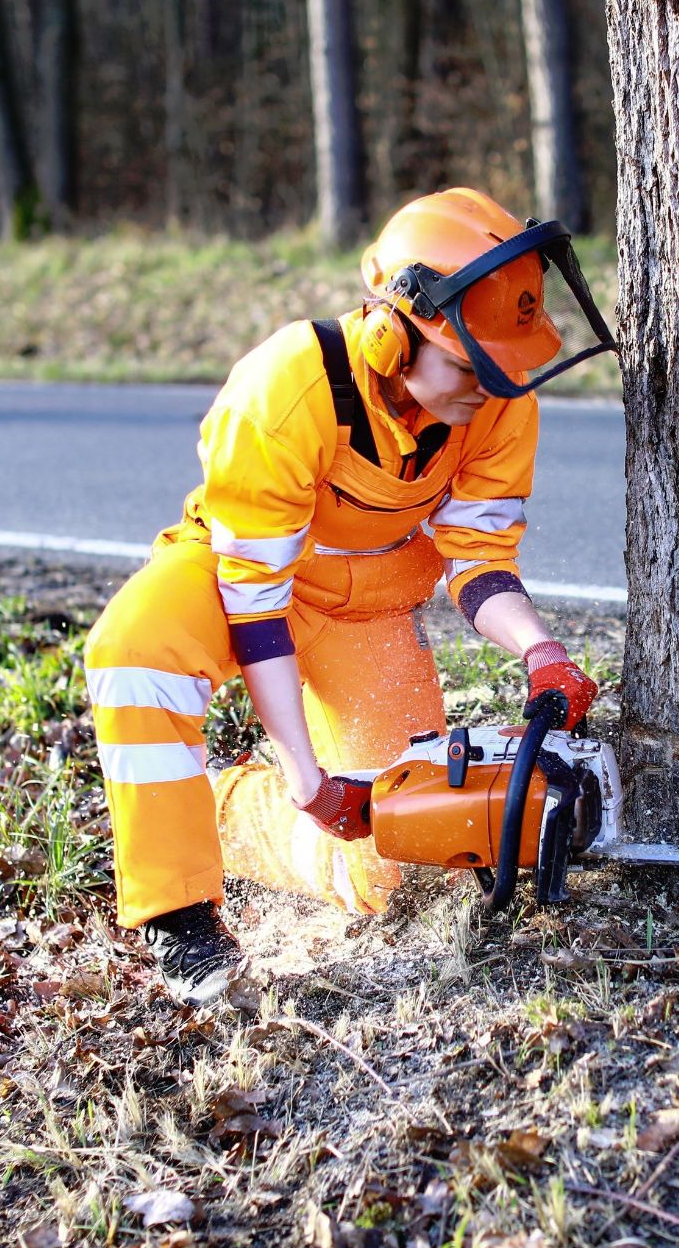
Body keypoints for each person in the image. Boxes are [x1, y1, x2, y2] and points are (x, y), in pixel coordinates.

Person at [82, 187, 618, 1002]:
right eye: (468, 367)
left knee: (394, 850)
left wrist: (541, 651)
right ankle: (178, 911)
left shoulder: (498, 400)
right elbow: (256, 604)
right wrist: (307, 774)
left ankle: (225, 814)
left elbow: (479, 561)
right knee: (135, 650)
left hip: (365, 606)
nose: (489, 388)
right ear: (394, 334)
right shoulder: (286, 388)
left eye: (501, 368)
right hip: (239, 577)